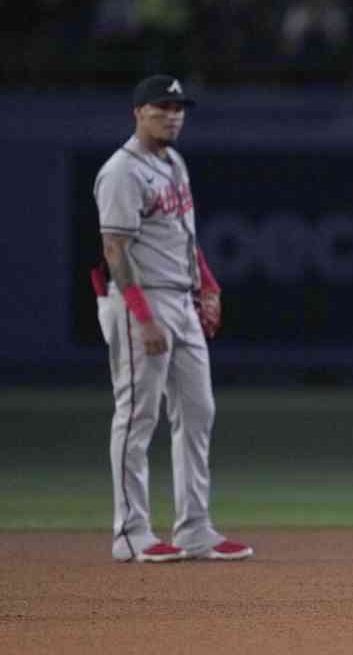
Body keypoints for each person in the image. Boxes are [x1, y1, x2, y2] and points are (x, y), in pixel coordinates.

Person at [90, 74, 253, 563]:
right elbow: (114, 248)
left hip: (181, 300)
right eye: (162, 107)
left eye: (178, 107)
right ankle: (129, 532)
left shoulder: (173, 162)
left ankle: (194, 528)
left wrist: (208, 284)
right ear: (138, 113)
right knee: (138, 415)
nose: (173, 115)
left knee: (198, 411)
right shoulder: (122, 171)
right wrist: (142, 317)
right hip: (141, 300)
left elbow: (183, 237)